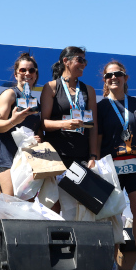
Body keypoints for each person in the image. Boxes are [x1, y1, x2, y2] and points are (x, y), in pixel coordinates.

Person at [97, 61, 136, 270]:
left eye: (118, 74)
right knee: (113, 212)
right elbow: (98, 138)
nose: (114, 78)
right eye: (109, 75)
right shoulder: (101, 107)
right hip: (111, 162)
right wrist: (94, 158)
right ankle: (110, 262)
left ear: (125, 78)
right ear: (104, 80)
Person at [41, 46, 100, 174]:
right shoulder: (51, 87)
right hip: (55, 155)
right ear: (66, 61)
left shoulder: (89, 90)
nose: (83, 64)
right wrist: (64, 124)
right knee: (54, 194)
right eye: (80, 60)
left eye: (85, 61)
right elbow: (43, 123)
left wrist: (93, 156)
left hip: (81, 156)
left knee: (77, 194)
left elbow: (93, 127)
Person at [0, 52, 42, 196]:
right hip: (7, 159)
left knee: (26, 207)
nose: (27, 73)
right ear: (16, 74)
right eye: (23, 70)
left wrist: (38, 139)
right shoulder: (10, 94)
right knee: (8, 205)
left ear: (36, 75)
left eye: (31, 70)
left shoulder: (35, 102)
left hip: (28, 161)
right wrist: (13, 120)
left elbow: (38, 130)